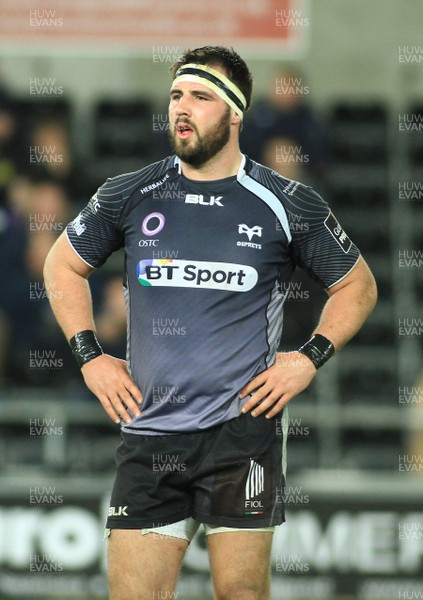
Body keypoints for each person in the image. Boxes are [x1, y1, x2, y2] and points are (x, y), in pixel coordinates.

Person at [43, 46, 377, 600]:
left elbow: (358, 286)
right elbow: (62, 264)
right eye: (176, 95)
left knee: (240, 593)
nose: (182, 107)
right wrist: (90, 357)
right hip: (149, 431)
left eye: (200, 97)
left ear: (235, 112)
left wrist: (308, 358)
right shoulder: (131, 193)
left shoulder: (285, 202)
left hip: (241, 433)